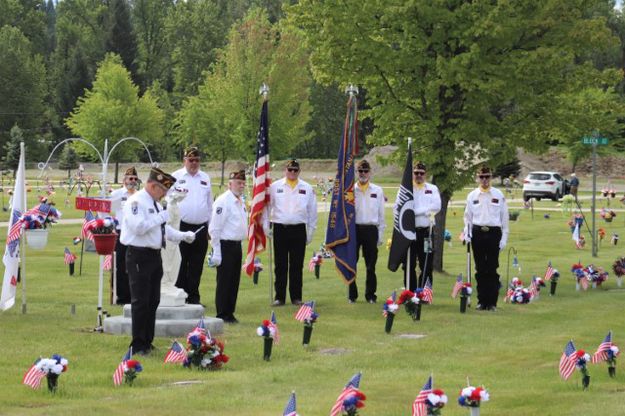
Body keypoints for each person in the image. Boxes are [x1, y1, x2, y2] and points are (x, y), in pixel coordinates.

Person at [121, 168, 196, 355]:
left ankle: (148, 340)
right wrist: (160, 217)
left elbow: (162, 230)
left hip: (154, 255)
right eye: (162, 190)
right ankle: (137, 344)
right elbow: (138, 227)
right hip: (138, 254)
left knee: (153, 300)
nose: (164, 194)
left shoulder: (155, 203)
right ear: (153, 186)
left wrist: (182, 235)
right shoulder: (136, 201)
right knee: (140, 300)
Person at [263, 159, 317, 306]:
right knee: (280, 265)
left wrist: (311, 230)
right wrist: (265, 225)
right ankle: (279, 297)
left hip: (299, 229)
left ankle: (296, 297)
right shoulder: (275, 186)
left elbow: (312, 211)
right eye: (290, 169)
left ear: (299, 172)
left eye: (295, 170)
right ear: (285, 170)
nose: (292, 172)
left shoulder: (307, 187)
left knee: (296, 265)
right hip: (280, 228)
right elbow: (267, 207)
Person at [463, 165, 509, 312]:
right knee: (480, 269)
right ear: (478, 177)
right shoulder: (472, 196)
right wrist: (467, 233)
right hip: (477, 233)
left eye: (487, 177)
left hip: (494, 233)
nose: (484, 180)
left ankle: (492, 302)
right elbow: (467, 218)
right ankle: (482, 301)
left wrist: (504, 239)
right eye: (481, 177)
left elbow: (505, 219)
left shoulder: (498, 194)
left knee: (492, 268)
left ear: (491, 178)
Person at [172, 146, 213, 305]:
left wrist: (210, 226)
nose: (194, 163)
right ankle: (180, 296)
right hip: (181, 226)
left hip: (201, 228)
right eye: (191, 160)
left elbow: (209, 204)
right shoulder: (175, 176)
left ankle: (193, 297)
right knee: (181, 263)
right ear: (184, 161)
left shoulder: (205, 178)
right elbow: (168, 201)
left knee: (197, 264)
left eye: (196, 160)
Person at [208, 170, 248, 323]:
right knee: (225, 281)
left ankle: (230, 312)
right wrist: (216, 250)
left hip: (236, 245)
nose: (241, 185)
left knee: (234, 281)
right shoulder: (223, 201)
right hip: (225, 245)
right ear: (229, 184)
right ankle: (222, 313)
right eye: (238, 183)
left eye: (243, 183)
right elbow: (215, 228)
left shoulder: (239, 200)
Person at [349, 160, 385, 303]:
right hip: (355, 229)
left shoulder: (377, 190)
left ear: (370, 172)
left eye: (365, 171)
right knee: (352, 263)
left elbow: (381, 214)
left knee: (371, 265)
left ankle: (370, 295)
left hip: (371, 229)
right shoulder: (350, 190)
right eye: (360, 171)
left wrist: (380, 234)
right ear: (357, 173)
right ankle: (352, 295)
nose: (363, 174)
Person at [402, 161, 441, 291]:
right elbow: (399, 207)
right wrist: (425, 211)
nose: (419, 175)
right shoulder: (406, 189)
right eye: (416, 173)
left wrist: (416, 212)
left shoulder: (432, 189)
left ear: (426, 174)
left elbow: (436, 206)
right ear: (412, 173)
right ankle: (410, 293)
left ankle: (424, 293)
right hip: (410, 233)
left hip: (426, 234)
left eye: (421, 173)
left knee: (426, 264)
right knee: (409, 264)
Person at [109, 166, 139, 305]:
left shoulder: (140, 195)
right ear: (124, 180)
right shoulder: (116, 194)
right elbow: (105, 210)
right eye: (129, 178)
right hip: (120, 233)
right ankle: (121, 297)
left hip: (135, 234)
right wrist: (109, 225)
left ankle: (134, 296)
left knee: (134, 266)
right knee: (120, 266)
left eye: (134, 178)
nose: (132, 181)